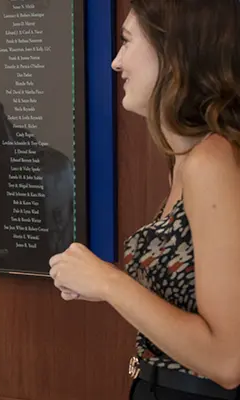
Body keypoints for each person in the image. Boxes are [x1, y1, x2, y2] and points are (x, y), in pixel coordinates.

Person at [48, 1, 240, 399]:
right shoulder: (184, 162)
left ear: (174, 53)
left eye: (128, 41)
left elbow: (227, 359)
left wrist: (108, 282)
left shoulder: (211, 160)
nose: (116, 62)